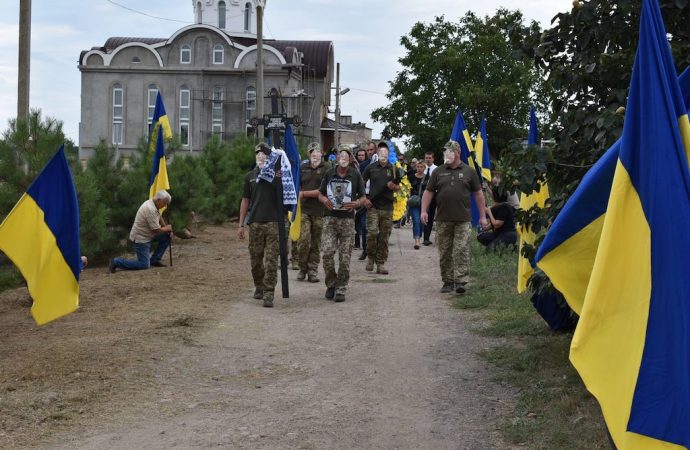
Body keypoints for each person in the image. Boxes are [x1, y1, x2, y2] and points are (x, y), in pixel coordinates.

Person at [422, 140, 487, 294]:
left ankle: (460, 281)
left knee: (461, 250)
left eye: (449, 151)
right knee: (445, 251)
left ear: (457, 153)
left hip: (463, 219)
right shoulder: (438, 171)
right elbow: (429, 191)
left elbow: (478, 194)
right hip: (443, 219)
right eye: (445, 152)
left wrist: (483, 216)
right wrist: (424, 210)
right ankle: (447, 281)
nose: (446, 154)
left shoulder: (469, 171)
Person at [238, 143, 283, 308]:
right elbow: (245, 200)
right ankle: (259, 285)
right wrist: (241, 224)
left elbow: (287, 194)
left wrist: (281, 177)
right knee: (256, 259)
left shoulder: (277, 175)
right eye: (258, 154)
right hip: (255, 223)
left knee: (271, 260)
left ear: (269, 157)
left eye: (263, 154)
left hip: (274, 223)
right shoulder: (250, 176)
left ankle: (269, 292)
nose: (260, 157)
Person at [318, 145, 366, 302]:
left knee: (345, 258)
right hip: (329, 219)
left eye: (347, 155)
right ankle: (331, 284)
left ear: (351, 158)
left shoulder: (355, 174)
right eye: (341, 155)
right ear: (337, 157)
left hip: (347, 220)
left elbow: (364, 198)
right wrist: (324, 199)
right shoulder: (329, 173)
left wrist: (356, 203)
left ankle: (341, 288)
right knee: (327, 254)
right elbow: (320, 193)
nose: (344, 157)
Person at [362, 141, 404, 274]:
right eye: (380, 151)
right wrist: (364, 199)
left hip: (387, 207)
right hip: (373, 206)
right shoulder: (371, 167)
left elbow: (400, 189)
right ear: (377, 153)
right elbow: (361, 184)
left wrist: (395, 187)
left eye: (385, 151)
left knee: (384, 236)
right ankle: (370, 257)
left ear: (388, 153)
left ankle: (380, 263)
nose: (383, 153)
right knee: (372, 233)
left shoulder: (394, 169)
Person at [109, 190, 173, 272]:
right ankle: (116, 262)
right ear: (159, 200)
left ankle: (155, 260)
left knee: (167, 236)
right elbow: (156, 230)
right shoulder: (150, 209)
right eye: (164, 203)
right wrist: (167, 228)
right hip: (141, 238)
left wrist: (167, 229)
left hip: (148, 235)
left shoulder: (153, 203)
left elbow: (159, 216)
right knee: (144, 265)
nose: (165, 206)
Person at [296, 142, 326, 283]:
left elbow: (322, 191)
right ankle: (303, 268)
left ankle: (312, 271)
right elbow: (297, 185)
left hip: (320, 211)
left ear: (321, 154)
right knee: (304, 241)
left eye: (317, 152)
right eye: (312, 152)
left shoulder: (327, 168)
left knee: (315, 243)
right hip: (304, 211)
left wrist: (303, 194)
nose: (315, 155)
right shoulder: (302, 168)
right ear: (308, 154)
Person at [408, 160, 427, 249]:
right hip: (413, 202)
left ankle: (419, 236)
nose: (419, 168)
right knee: (416, 220)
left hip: (424, 202)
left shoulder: (428, 178)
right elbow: (407, 188)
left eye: (421, 167)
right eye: (418, 167)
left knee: (421, 221)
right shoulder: (411, 177)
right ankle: (417, 240)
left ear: (424, 168)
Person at [354, 147, 370, 253]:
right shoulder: (354, 167)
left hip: (366, 196)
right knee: (355, 220)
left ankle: (365, 246)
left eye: (362, 155)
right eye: (359, 155)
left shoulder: (368, 167)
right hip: (355, 196)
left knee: (364, 222)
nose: (361, 157)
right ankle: (356, 243)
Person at [421, 151, 438, 246]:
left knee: (430, 216)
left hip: (433, 195)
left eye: (429, 158)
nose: (428, 159)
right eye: (426, 158)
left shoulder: (436, 169)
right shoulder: (422, 168)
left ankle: (426, 238)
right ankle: (420, 236)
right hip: (421, 195)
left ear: (433, 159)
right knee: (422, 215)